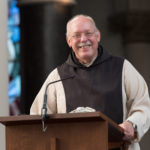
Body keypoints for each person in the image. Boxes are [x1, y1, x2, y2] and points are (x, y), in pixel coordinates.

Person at [30, 14, 150, 150]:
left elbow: (143, 104)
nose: (83, 39)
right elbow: (38, 118)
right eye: (76, 35)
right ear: (68, 41)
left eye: (88, 33)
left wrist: (132, 124)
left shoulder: (122, 68)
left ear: (98, 36)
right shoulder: (57, 77)